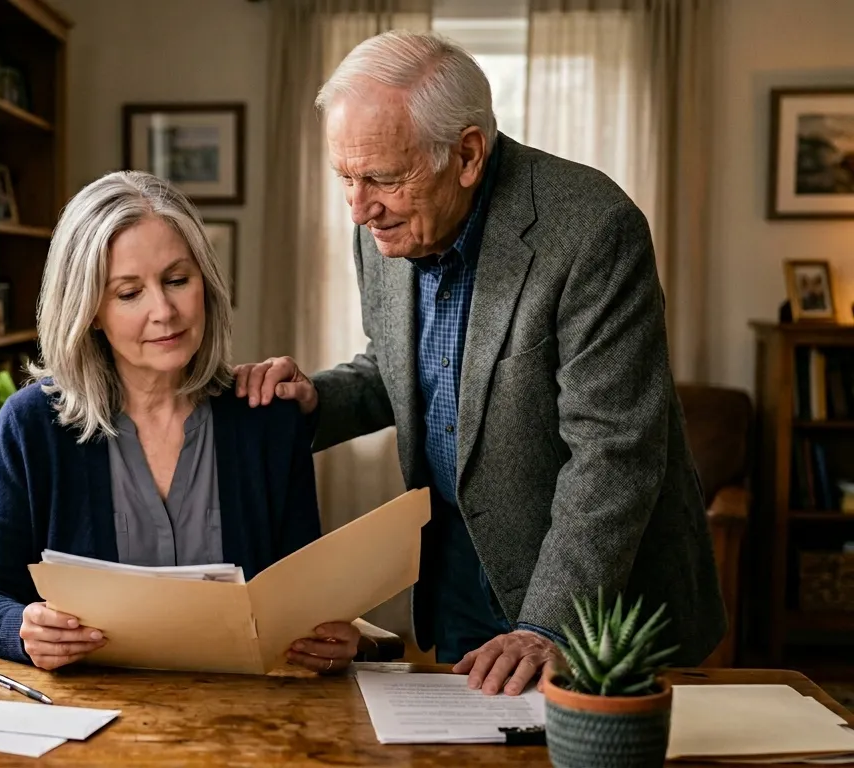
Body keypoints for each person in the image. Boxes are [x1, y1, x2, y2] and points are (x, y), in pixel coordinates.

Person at [235, 31, 725, 695]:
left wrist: (548, 627)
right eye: (345, 178)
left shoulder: (592, 229)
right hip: (459, 573)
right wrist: (317, 400)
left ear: (467, 154)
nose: (359, 208)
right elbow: (399, 369)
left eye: (383, 179)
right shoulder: (384, 223)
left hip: (594, 594)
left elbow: (613, 455)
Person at [0, 170, 362, 673]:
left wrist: (326, 639)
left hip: (248, 710)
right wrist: (23, 629)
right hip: (86, 710)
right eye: (129, 293)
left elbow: (306, 602)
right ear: (90, 310)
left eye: (176, 280)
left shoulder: (269, 421)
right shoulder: (29, 424)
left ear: (205, 282)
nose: (164, 311)